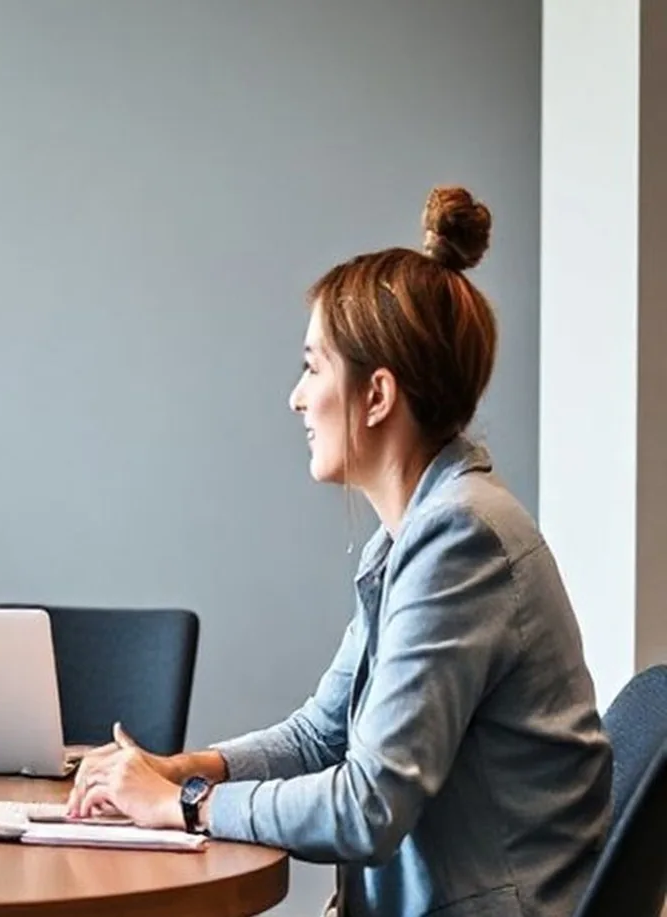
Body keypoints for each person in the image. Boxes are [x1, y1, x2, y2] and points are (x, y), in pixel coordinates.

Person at [69, 187, 612, 917]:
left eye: (313, 368)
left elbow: (367, 806)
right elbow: (320, 734)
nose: (296, 398)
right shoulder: (417, 533)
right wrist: (184, 769)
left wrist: (187, 804)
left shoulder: (460, 539)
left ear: (376, 396)